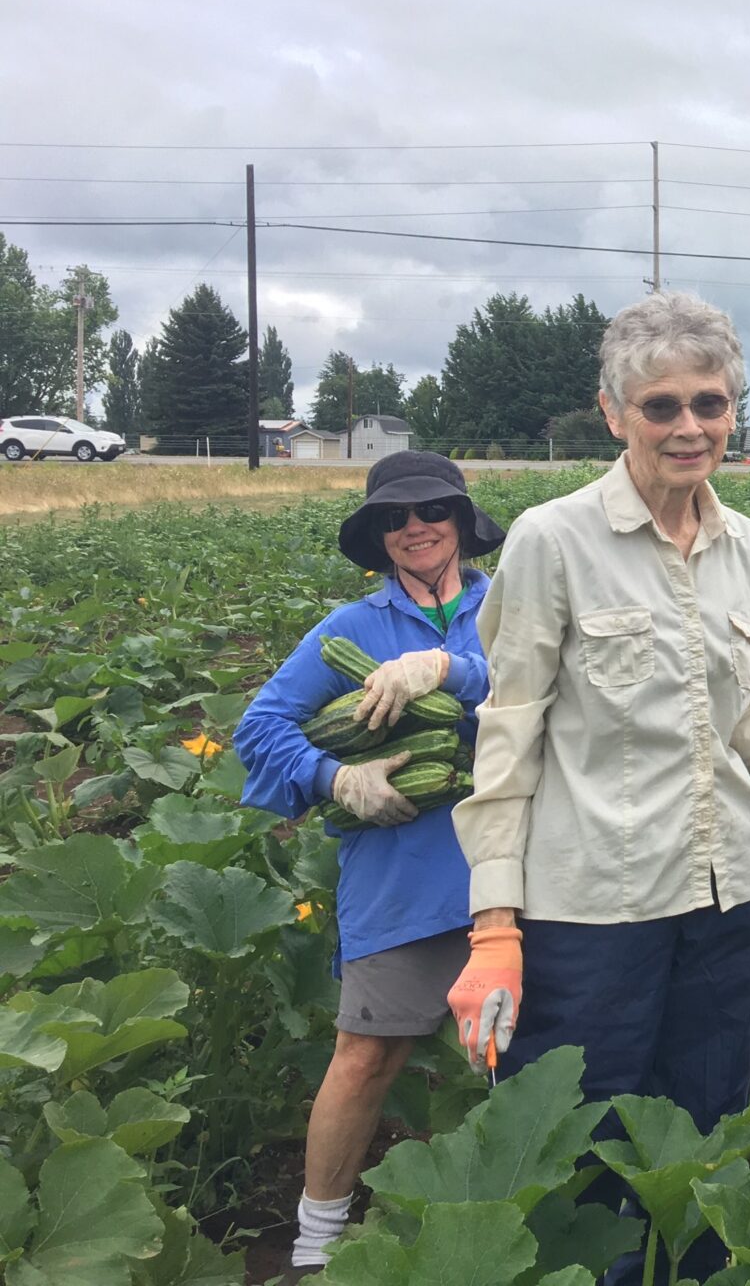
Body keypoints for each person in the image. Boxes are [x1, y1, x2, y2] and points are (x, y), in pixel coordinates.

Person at [449, 292, 750, 1284]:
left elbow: (739, 716)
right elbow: (507, 736)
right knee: (585, 1156)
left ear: (733, 410)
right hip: (592, 909)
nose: (689, 427)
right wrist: (494, 927)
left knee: (704, 1138)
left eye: (709, 404)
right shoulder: (552, 541)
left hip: (724, 899)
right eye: (662, 406)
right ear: (613, 414)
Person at [237, 451, 505, 1281]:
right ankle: (315, 1241)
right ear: (379, 537)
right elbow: (260, 728)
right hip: (403, 873)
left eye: (432, 509)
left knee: (519, 1053)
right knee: (365, 1055)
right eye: (395, 517)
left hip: (519, 865)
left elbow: (565, 689)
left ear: (462, 521)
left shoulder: (513, 606)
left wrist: (454, 672)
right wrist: (335, 778)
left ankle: (508, 1218)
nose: (415, 526)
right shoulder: (350, 630)